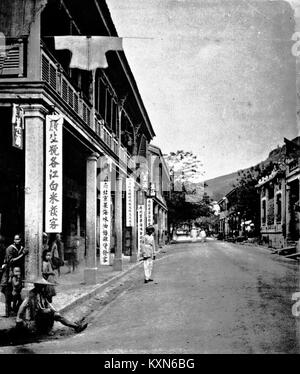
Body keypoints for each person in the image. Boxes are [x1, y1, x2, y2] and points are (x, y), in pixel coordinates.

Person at [15, 277, 88, 335]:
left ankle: (76, 326)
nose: (43, 287)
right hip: (37, 316)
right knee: (50, 312)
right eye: (41, 285)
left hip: (44, 314)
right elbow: (23, 305)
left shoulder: (42, 293)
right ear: (37, 285)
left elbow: (48, 304)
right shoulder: (31, 294)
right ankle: (48, 330)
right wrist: (18, 316)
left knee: (57, 315)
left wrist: (54, 310)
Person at [0, 234, 28, 317]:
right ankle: (7, 312)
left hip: (19, 272)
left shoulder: (22, 248)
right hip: (9, 272)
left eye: (18, 239)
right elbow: (10, 261)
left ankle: (15, 310)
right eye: (15, 239)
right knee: (8, 292)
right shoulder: (10, 248)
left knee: (18, 292)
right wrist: (22, 255)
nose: (17, 241)